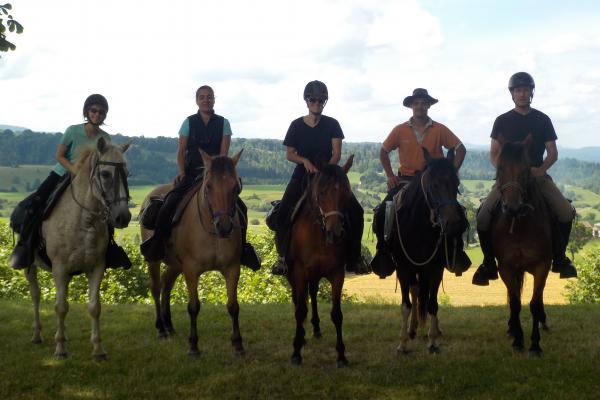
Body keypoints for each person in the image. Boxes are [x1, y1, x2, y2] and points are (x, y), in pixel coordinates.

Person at [472, 72, 577, 286]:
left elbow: (552, 152)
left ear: (531, 93)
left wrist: (541, 169)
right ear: (512, 94)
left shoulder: (542, 119)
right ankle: (488, 263)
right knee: (483, 216)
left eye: (526, 90)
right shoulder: (501, 120)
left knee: (565, 212)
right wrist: (505, 173)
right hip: (508, 179)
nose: (522, 94)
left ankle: (560, 258)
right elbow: (494, 153)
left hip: (536, 176)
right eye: (518, 90)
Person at [140, 85, 261, 271]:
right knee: (170, 202)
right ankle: (158, 242)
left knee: (241, 208)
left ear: (214, 100)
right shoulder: (188, 122)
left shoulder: (224, 123)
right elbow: (181, 151)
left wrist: (219, 173)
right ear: (197, 100)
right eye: (202, 97)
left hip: (215, 175)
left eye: (209, 97)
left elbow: (223, 154)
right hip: (191, 174)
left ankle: (242, 247)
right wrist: (181, 172)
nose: (206, 100)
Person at [9, 94, 131, 270]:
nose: (97, 114)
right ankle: (25, 248)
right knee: (35, 204)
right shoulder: (72, 131)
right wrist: (74, 170)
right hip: (63, 173)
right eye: (94, 110)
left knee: (105, 210)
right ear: (87, 112)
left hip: (89, 181)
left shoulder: (105, 137)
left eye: (101, 112)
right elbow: (59, 156)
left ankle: (109, 249)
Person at [270, 80, 370, 275]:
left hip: (329, 174)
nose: (317, 103)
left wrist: (327, 170)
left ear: (325, 102)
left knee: (356, 211)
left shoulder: (332, 124)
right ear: (306, 101)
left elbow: (336, 152)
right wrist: (304, 161)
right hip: (302, 174)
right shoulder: (296, 125)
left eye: (321, 100)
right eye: (313, 100)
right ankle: (282, 258)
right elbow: (289, 154)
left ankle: (355, 258)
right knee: (282, 213)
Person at [369, 88, 470, 277]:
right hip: (406, 181)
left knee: (457, 213)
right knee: (384, 210)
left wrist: (450, 173)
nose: (420, 106)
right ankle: (383, 252)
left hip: (434, 183)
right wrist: (390, 175)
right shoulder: (399, 129)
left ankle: (456, 252)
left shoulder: (439, 129)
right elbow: (383, 151)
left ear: (429, 106)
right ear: (411, 106)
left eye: (424, 103)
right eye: (416, 103)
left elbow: (461, 149)